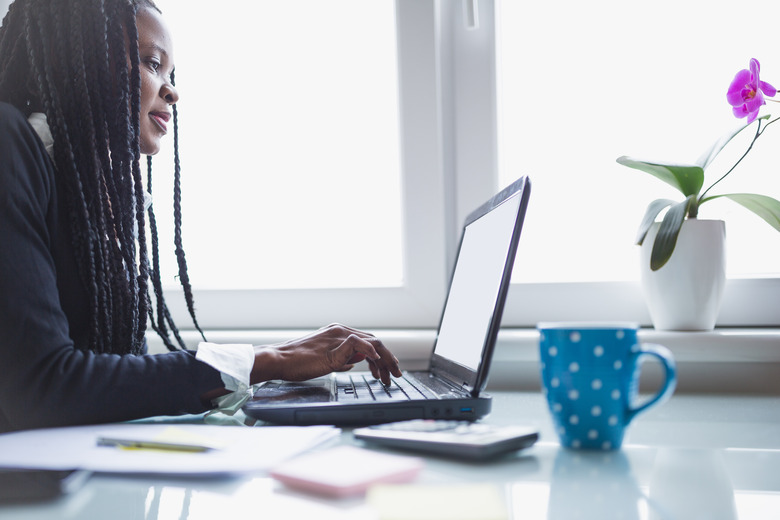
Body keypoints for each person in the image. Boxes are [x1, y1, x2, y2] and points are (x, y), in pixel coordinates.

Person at [0, 0, 401, 433]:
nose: (171, 91)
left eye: (171, 74)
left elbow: (110, 376)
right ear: (74, 57)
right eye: (153, 64)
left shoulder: (92, 200)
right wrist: (269, 361)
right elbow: (42, 387)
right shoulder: (9, 143)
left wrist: (270, 360)